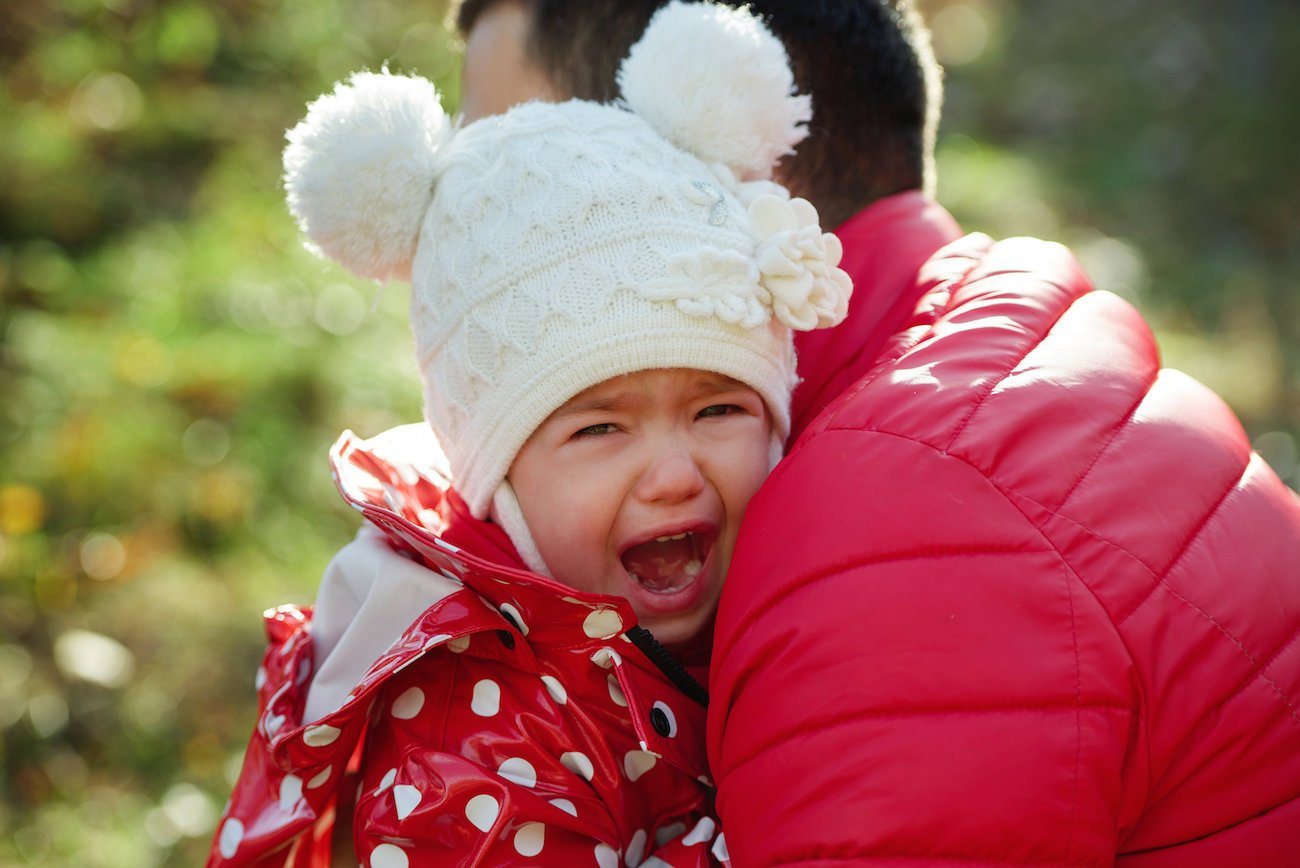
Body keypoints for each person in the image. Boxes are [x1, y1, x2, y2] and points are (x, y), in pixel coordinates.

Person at [455, 0, 1300, 864]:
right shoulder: (999, 348)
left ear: (727, 152)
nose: (458, 233)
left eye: (504, 163)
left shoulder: (895, 531)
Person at [207, 3, 850, 866]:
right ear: (496, 480)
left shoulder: (770, 605)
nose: (672, 473)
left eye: (719, 409)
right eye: (599, 429)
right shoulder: (472, 738)